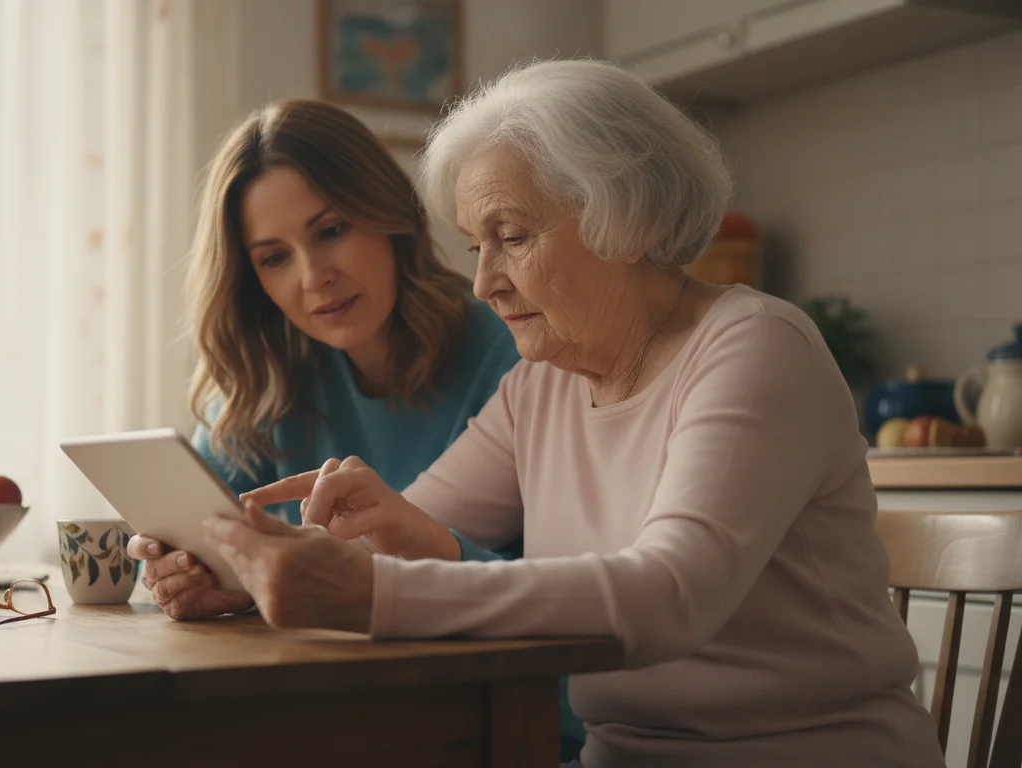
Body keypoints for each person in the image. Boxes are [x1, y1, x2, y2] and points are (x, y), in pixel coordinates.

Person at [196, 60, 946, 767]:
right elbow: (399, 524)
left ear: (625, 214)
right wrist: (257, 572)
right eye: (474, 245)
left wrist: (371, 589)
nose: (484, 281)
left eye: (512, 237)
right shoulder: (542, 386)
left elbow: (668, 599)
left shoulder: (754, 347)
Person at [129, 98, 519, 616]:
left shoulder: (512, 354)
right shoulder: (262, 387)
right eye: (275, 258)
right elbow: (190, 549)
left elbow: (555, 581)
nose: (314, 278)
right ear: (253, 281)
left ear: (389, 214)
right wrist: (182, 573)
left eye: (332, 231)